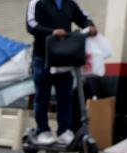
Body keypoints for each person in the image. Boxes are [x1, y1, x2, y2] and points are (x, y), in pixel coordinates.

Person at [26, 0, 97, 145]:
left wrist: (89, 26)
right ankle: (42, 131)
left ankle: (64, 131)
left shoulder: (70, 3)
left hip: (64, 57)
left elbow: (83, 18)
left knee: (65, 96)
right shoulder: (37, 2)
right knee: (42, 96)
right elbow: (31, 25)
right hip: (43, 57)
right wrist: (52, 32)